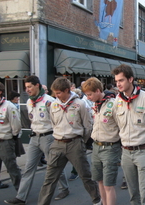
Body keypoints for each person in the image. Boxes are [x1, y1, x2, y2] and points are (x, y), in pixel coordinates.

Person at [4, 76, 70, 205]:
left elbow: (58, 121)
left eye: (29, 87)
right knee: (29, 168)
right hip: (34, 138)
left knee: (53, 166)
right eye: (26, 87)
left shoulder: (50, 101)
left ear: (37, 86)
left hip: (48, 137)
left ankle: (64, 188)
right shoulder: (29, 101)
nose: (27, 89)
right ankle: (21, 197)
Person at [37, 77, 101, 205]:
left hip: (75, 143)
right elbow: (53, 123)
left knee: (85, 176)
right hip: (57, 143)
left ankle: (97, 201)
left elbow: (87, 126)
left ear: (67, 90)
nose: (56, 95)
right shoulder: (54, 104)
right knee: (49, 178)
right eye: (55, 93)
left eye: (59, 92)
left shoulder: (79, 104)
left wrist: (80, 141)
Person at [112, 64, 145, 205]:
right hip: (126, 152)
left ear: (130, 79)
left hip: (143, 151)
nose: (118, 84)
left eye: (121, 80)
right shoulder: (118, 101)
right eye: (116, 81)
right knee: (133, 194)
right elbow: (117, 122)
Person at [82, 77, 121, 205]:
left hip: (110, 147)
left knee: (108, 185)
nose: (88, 97)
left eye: (89, 94)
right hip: (96, 146)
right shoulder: (95, 104)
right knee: (100, 181)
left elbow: (122, 125)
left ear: (98, 90)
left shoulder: (113, 104)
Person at [0, 82, 22, 192]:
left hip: (5, 141)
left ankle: (20, 191)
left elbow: (16, 126)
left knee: (11, 167)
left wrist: (11, 138)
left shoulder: (8, 106)